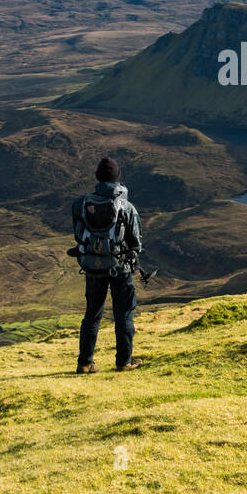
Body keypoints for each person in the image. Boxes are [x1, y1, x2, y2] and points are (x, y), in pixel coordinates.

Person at [71, 156, 143, 373]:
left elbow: (78, 234)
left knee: (92, 315)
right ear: (117, 177)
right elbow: (136, 242)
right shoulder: (126, 207)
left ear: (98, 177)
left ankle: (85, 363)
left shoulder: (81, 203)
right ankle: (124, 362)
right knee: (123, 314)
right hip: (120, 268)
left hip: (92, 266)